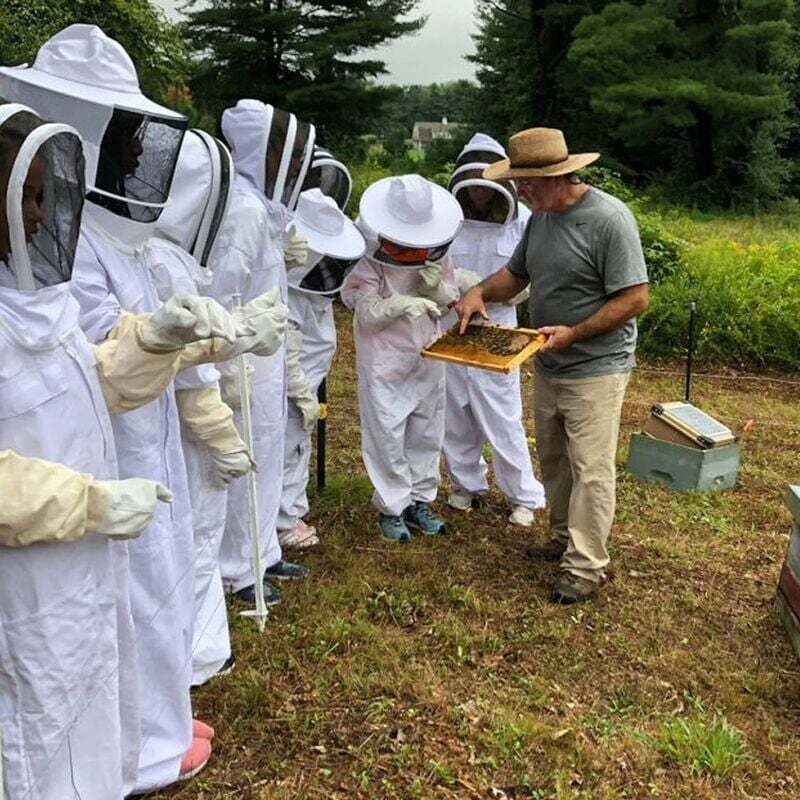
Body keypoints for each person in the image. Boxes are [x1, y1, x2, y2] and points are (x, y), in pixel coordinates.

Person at [0, 25, 261, 789]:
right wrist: (82, 503)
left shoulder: (32, 297)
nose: (44, 216)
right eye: (33, 197)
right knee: (31, 715)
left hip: (81, 546)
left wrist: (159, 336)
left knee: (92, 674)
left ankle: (134, 750)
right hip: (32, 570)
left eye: (48, 195)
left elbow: (97, 371)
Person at [455, 128, 649, 604]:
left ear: (559, 176)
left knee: (591, 468)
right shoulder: (538, 220)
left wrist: (575, 332)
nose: (520, 191)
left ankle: (585, 567)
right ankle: (563, 538)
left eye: (527, 183)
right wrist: (478, 291)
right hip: (548, 361)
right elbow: (515, 275)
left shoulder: (608, 220)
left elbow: (635, 297)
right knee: (555, 459)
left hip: (597, 365)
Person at [212, 99, 315, 605]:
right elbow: (223, 291)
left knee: (268, 455)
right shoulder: (244, 209)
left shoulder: (261, 209)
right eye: (283, 151)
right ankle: (238, 570)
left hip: (266, 360)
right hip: (244, 361)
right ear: (260, 150)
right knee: (247, 463)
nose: (293, 164)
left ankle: (263, 552)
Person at [341, 174, 462, 541]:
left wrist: (435, 287)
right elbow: (364, 311)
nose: (413, 251)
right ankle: (392, 507)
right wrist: (399, 304)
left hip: (427, 354)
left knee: (427, 430)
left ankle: (420, 501)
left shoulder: (437, 251)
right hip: (384, 360)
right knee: (388, 435)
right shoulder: (370, 259)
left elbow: (451, 294)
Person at [443, 133, 545, 526]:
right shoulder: (449, 219)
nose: (482, 194)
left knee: (501, 413)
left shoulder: (523, 222)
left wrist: (504, 293)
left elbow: (530, 276)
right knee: (455, 411)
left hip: (498, 325)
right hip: (453, 323)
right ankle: (466, 484)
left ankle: (524, 495)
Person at [277, 188, 365, 547]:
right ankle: (282, 521)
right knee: (283, 447)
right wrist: (300, 392)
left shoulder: (315, 297)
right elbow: (285, 350)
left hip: (305, 387)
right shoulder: (287, 295)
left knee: (297, 445)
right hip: (285, 389)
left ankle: (288, 513)